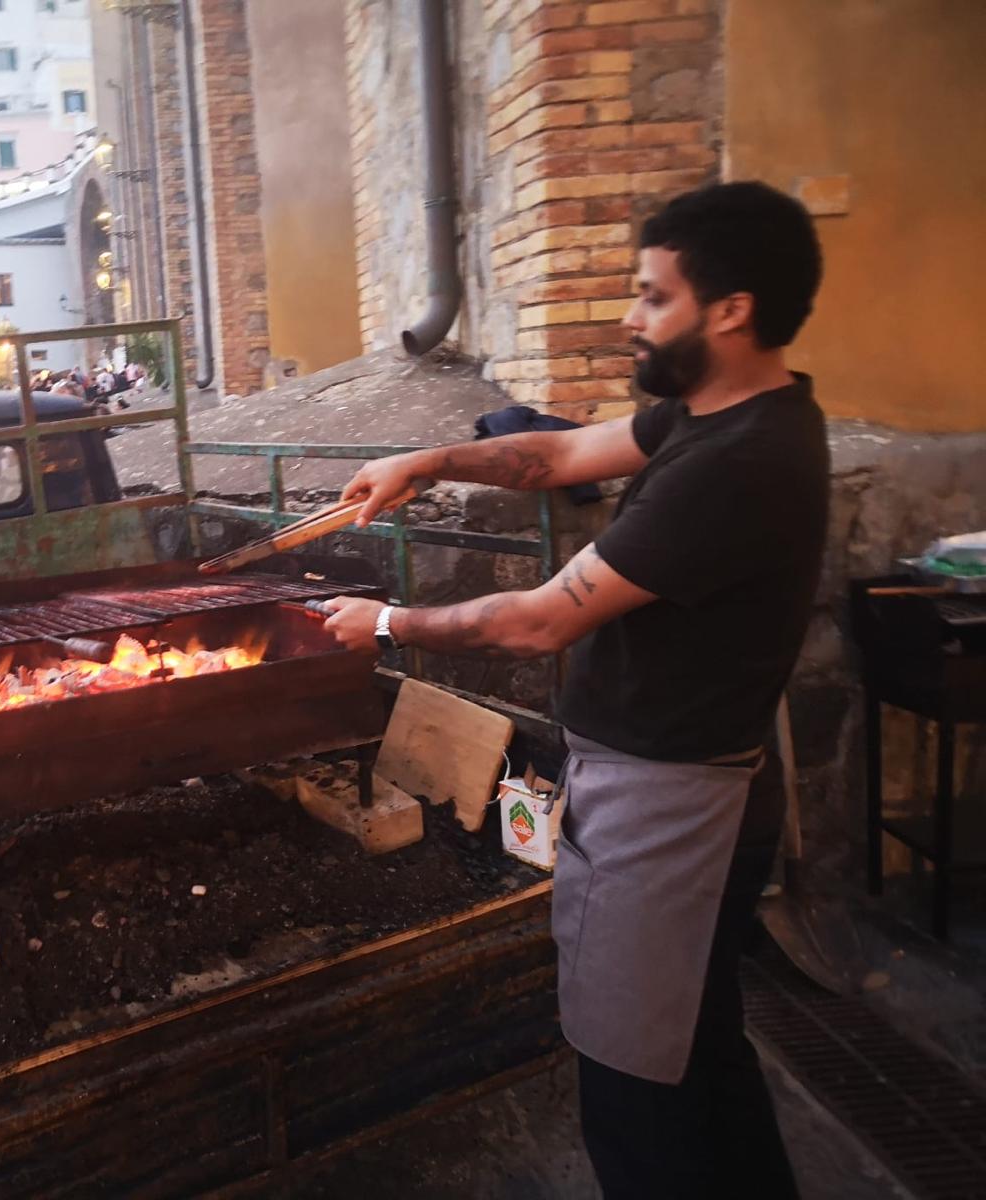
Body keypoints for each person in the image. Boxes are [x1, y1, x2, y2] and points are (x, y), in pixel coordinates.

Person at [322, 182, 823, 1200]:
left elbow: (537, 619)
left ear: (730, 309)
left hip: (671, 805)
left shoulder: (738, 462)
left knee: (637, 1099)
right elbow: (554, 453)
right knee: (699, 1057)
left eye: (652, 297)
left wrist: (383, 624)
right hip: (665, 788)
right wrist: (428, 457)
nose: (629, 318)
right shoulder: (709, 415)